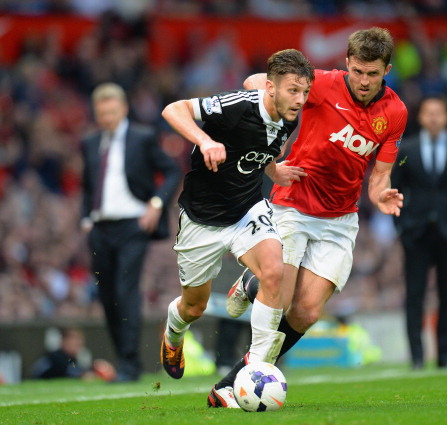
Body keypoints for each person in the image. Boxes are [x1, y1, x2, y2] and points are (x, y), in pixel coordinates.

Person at [219, 27, 407, 401]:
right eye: (358, 71)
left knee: (305, 313)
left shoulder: (395, 112)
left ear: (386, 71)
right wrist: (270, 126)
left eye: (372, 74)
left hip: (340, 219)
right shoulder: (320, 83)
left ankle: (251, 296)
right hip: (294, 203)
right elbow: (255, 82)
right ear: (347, 63)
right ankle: (236, 379)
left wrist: (381, 195)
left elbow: (379, 175)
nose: (364, 81)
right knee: (280, 298)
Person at [158, 49, 314, 408]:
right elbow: (173, 109)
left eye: (305, 92)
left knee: (274, 271)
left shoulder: (289, 115)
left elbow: (263, 149)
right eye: (293, 90)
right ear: (271, 88)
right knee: (194, 307)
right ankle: (173, 332)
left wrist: (274, 171)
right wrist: (205, 140)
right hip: (202, 219)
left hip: (247, 210)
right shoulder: (237, 106)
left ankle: (256, 368)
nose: (300, 100)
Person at [81, 83, 181, 382]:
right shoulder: (90, 142)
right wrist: (85, 218)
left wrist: (156, 204)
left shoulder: (142, 137)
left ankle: (128, 363)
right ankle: (124, 359)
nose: (107, 118)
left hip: (132, 226)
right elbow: (88, 184)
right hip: (100, 227)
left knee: (126, 290)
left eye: (112, 112)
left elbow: (172, 171)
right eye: (102, 113)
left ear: (123, 109)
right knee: (107, 295)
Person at [391, 94, 447, 369]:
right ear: (420, 117)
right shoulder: (406, 151)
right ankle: (417, 357)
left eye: (438, 113)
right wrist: (401, 225)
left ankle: (445, 355)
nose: (433, 118)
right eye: (428, 112)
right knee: (414, 295)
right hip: (415, 233)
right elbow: (395, 188)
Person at [29, 327, 115, 380]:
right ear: (63, 341)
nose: (76, 344)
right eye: (72, 340)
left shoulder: (73, 358)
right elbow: (70, 372)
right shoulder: (56, 356)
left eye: (78, 341)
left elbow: (78, 370)